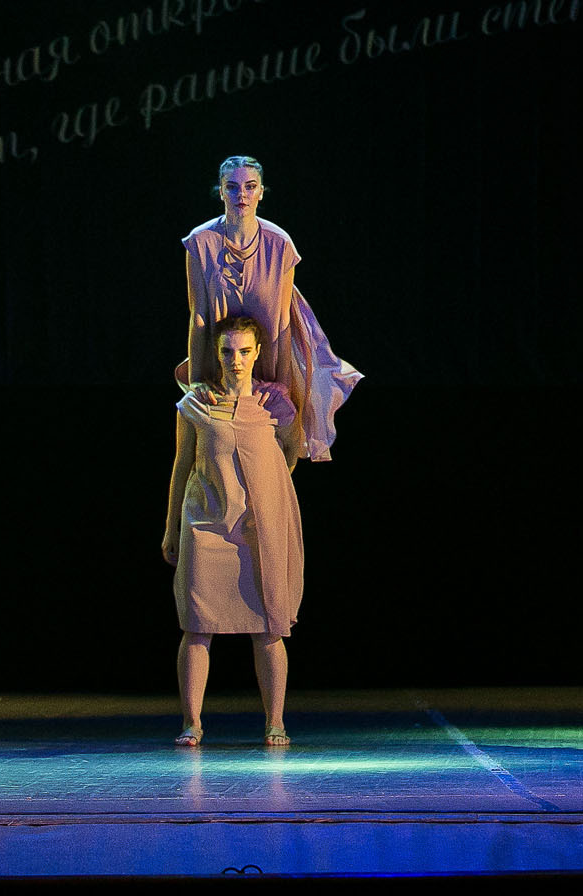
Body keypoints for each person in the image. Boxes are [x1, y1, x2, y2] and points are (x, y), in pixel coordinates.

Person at [162, 314, 303, 746]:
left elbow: (289, 455)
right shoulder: (197, 403)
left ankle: (275, 721)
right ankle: (192, 722)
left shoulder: (274, 402)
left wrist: (269, 500)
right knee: (197, 624)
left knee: (269, 625)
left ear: (258, 353)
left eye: (244, 351)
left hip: (258, 527)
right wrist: (171, 528)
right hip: (206, 524)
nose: (235, 360)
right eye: (227, 351)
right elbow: (181, 465)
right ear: (216, 354)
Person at [180, 156, 361, 461]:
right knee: (213, 445)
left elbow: (283, 321)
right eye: (232, 187)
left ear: (261, 192)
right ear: (220, 191)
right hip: (222, 358)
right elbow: (199, 316)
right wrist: (196, 379)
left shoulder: (279, 244)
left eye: (250, 187)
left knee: (276, 443)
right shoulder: (201, 242)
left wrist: (283, 385)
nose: (241, 195)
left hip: (269, 359)